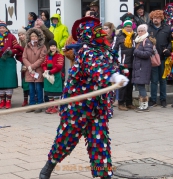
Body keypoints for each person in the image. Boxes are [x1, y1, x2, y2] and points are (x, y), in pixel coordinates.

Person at [39, 16, 129, 179]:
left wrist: (121, 71)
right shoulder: (86, 51)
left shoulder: (106, 50)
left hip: (98, 106)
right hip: (77, 106)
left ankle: (104, 175)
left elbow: (112, 65)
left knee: (99, 142)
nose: (103, 33)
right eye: (99, 31)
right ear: (89, 35)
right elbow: (96, 69)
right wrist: (113, 77)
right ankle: (49, 165)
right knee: (66, 139)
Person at [0, 21, 20, 109]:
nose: (2, 29)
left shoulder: (11, 36)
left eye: (3, 28)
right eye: (0, 28)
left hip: (8, 61)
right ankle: (2, 100)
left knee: (8, 81)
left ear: (6, 28)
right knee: (0, 83)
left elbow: (17, 48)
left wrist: (11, 51)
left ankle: (8, 101)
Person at [148, 10, 171, 108]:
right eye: (153, 18)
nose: (155, 20)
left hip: (163, 57)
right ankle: (153, 100)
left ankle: (163, 99)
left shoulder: (167, 28)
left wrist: (168, 49)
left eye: (157, 18)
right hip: (152, 58)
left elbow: (171, 41)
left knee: (163, 80)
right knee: (153, 80)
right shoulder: (148, 28)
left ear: (161, 18)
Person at [113, 19, 136, 111]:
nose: (129, 28)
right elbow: (114, 50)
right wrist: (117, 62)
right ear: (124, 27)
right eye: (127, 26)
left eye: (130, 26)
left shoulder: (134, 36)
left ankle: (129, 102)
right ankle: (121, 103)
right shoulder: (118, 36)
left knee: (130, 84)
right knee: (123, 83)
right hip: (123, 64)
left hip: (133, 63)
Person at [132, 24, 155, 112]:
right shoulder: (138, 40)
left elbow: (147, 54)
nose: (140, 32)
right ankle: (142, 104)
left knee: (141, 86)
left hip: (143, 67)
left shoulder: (147, 41)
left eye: (142, 31)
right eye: (139, 31)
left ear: (146, 31)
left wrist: (136, 51)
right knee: (140, 86)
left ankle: (145, 105)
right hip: (139, 67)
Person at [22, 28, 47, 109]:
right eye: (32, 36)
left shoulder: (42, 46)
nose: (34, 38)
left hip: (38, 70)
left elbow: (42, 58)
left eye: (35, 36)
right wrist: (29, 67)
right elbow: (24, 57)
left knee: (39, 88)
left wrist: (32, 67)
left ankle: (40, 104)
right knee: (31, 88)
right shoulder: (27, 46)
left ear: (39, 37)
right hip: (29, 71)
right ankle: (31, 104)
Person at [41, 40, 64, 114]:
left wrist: (51, 72)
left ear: (56, 47)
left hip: (56, 75)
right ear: (49, 47)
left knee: (55, 92)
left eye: (54, 46)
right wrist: (46, 71)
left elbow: (59, 66)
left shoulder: (59, 55)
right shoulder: (47, 56)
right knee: (50, 93)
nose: (53, 47)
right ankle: (51, 106)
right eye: (51, 46)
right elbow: (44, 64)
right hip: (48, 76)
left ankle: (55, 107)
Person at [49, 14, 69, 83]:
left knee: (61, 69)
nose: (54, 20)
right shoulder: (50, 28)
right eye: (53, 19)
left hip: (60, 52)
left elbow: (66, 37)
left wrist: (59, 45)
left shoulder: (63, 27)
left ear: (58, 19)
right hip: (51, 53)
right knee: (52, 68)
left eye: (56, 19)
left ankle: (62, 84)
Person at [16, 28, 30, 107]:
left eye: (22, 34)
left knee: (31, 82)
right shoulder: (19, 43)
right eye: (19, 35)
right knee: (24, 83)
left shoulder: (29, 43)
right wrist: (22, 60)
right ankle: (25, 100)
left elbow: (29, 53)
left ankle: (33, 99)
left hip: (31, 64)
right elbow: (17, 56)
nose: (21, 36)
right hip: (23, 65)